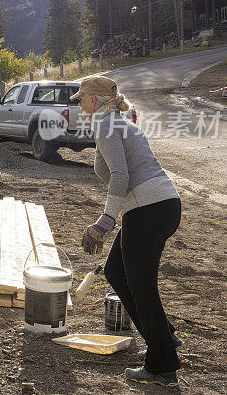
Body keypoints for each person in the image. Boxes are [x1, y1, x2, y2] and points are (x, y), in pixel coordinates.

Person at [70, 76, 183, 387]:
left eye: (81, 99)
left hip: (148, 209)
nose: (79, 105)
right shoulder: (114, 123)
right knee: (116, 271)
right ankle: (165, 337)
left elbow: (120, 175)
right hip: (158, 206)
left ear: (94, 100)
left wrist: (105, 221)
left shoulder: (107, 125)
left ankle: (161, 365)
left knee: (142, 287)